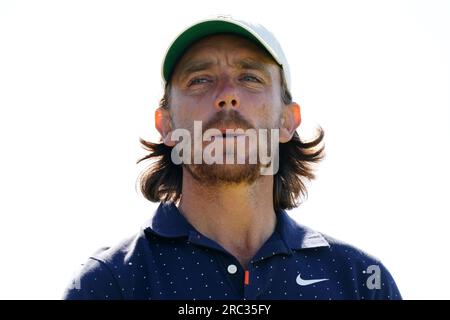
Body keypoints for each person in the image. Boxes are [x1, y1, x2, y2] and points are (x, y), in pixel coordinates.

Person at [63, 15, 401, 300]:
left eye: (250, 78)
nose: (227, 95)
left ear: (287, 121)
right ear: (166, 126)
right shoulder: (109, 284)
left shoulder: (360, 282)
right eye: (200, 80)